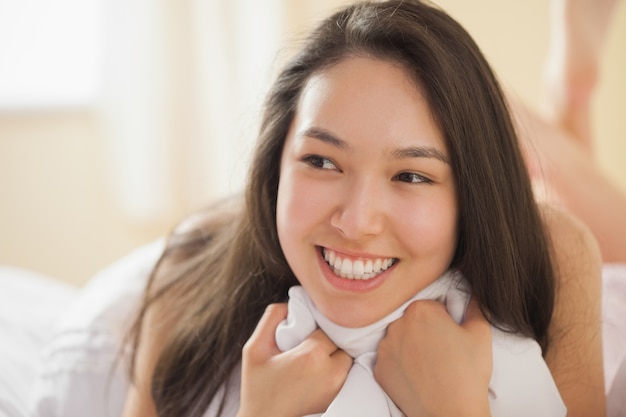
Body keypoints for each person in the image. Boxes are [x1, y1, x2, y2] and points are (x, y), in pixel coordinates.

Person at [28, 1, 606, 417]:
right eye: (322, 161)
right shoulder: (188, 280)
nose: (356, 222)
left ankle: (567, 99)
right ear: (275, 161)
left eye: (411, 174)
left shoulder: (554, 250)